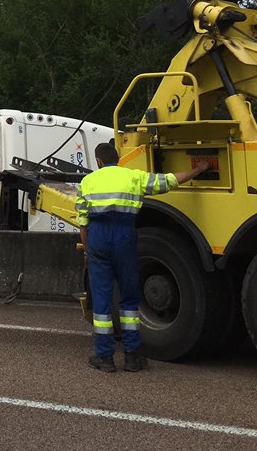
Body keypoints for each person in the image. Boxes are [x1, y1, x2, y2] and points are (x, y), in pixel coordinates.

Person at [76, 142, 209, 373]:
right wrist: (198, 169)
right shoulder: (133, 177)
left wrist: (88, 251)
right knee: (129, 297)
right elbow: (168, 181)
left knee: (102, 298)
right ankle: (132, 356)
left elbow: (82, 222)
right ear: (117, 159)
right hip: (125, 236)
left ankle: (104, 357)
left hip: (98, 237)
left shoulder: (87, 182)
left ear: (97, 162)